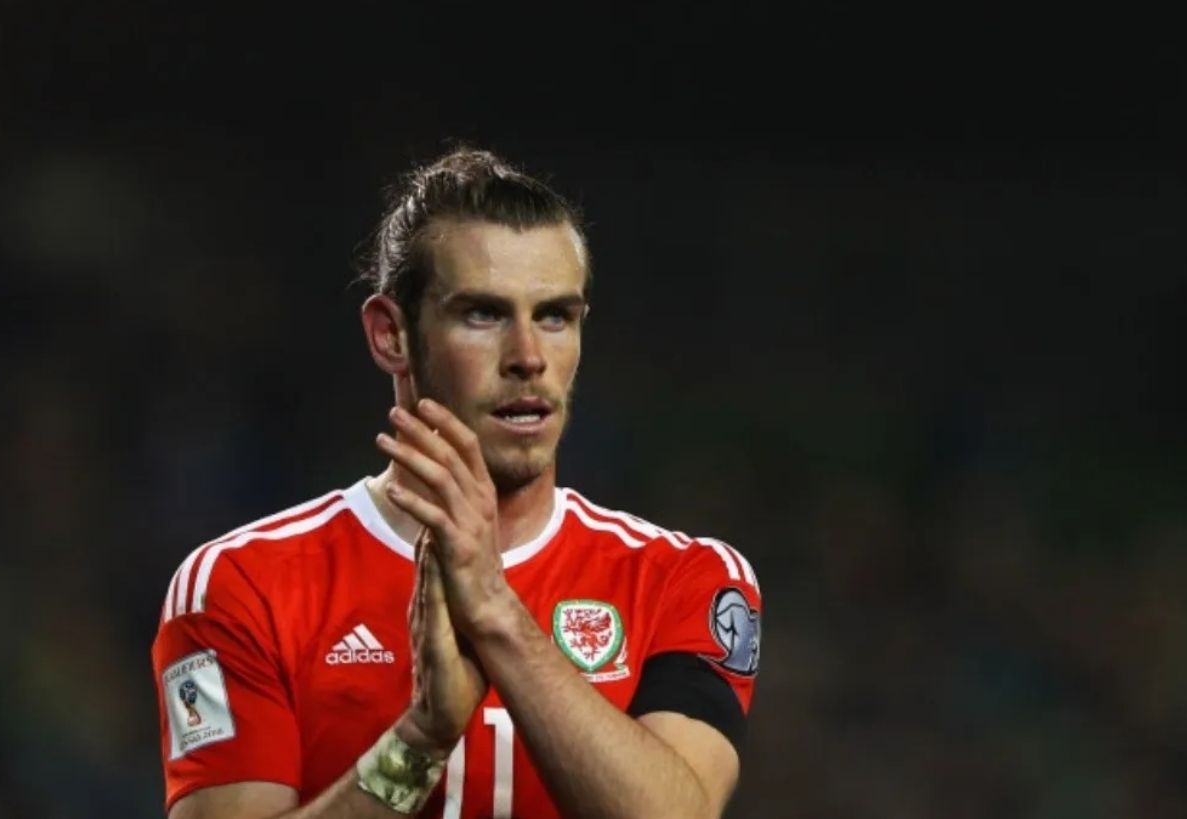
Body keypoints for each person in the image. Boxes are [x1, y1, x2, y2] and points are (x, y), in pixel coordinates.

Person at [150, 147, 762, 819]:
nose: (528, 357)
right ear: (391, 336)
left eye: (554, 316)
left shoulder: (685, 580)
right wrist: (422, 737)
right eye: (483, 315)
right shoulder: (239, 586)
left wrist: (497, 615)